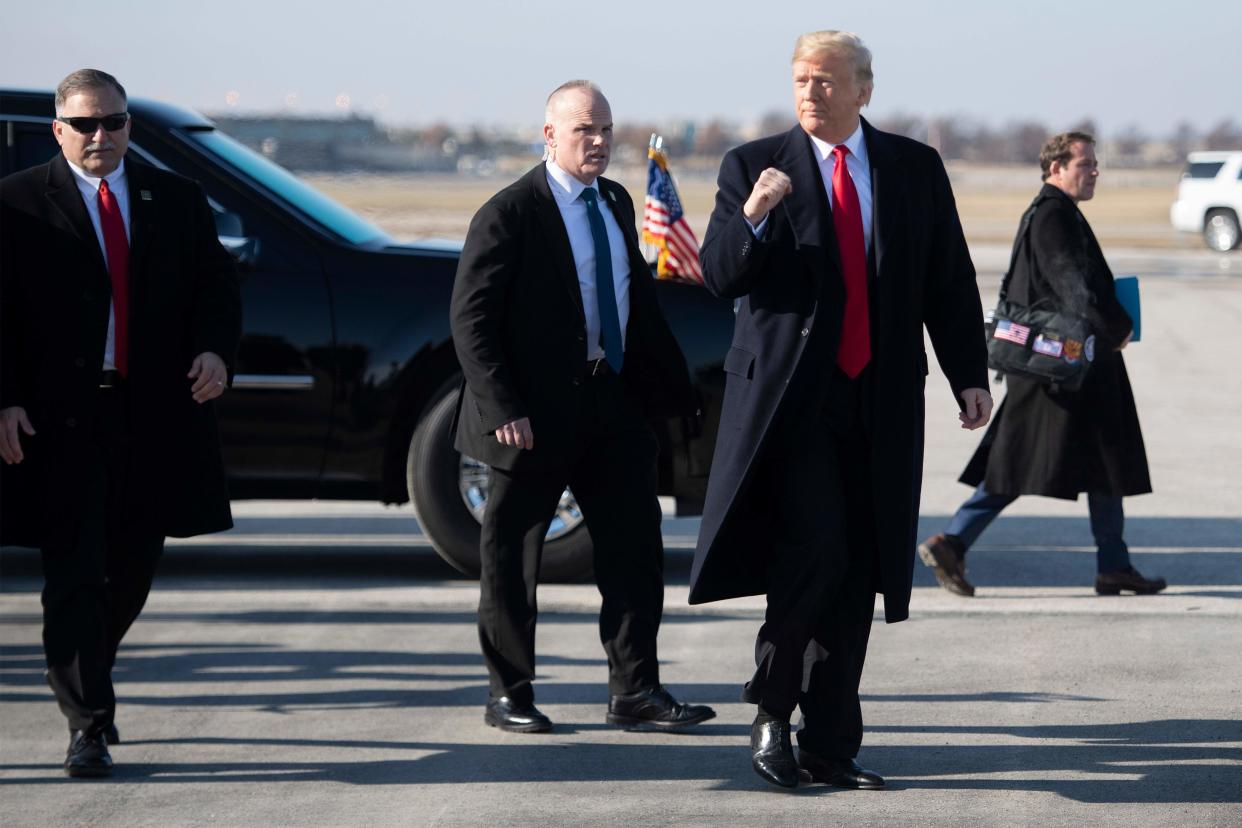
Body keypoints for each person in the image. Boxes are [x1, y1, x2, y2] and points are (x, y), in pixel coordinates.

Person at [688, 31, 992, 790]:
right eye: (800, 80)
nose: (810, 92)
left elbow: (946, 278)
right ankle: (771, 712)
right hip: (794, 407)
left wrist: (968, 375)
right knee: (813, 551)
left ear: (864, 89)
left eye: (826, 81)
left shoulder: (912, 169)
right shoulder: (753, 167)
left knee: (861, 566)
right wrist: (755, 212)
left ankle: (830, 742)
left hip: (881, 399)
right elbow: (720, 275)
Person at [449, 80, 714, 734]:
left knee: (634, 551)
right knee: (511, 556)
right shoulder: (509, 213)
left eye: (604, 129)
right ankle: (508, 692)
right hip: (530, 417)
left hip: (612, 403)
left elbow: (637, 305)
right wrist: (503, 405)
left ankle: (636, 691)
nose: (597, 141)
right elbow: (470, 319)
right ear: (550, 137)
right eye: (582, 131)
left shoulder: (616, 201)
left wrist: (673, 394)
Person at [0, 69, 241, 777]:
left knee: (133, 565)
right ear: (58, 130)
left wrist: (214, 351)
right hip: (62, 421)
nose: (101, 136)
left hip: (153, 416)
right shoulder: (15, 206)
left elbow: (217, 287)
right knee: (74, 570)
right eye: (85, 125)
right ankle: (88, 724)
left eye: (114, 122)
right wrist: (5, 397)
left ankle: (84, 670)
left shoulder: (175, 199)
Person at [919, 131, 1163, 598]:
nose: (1094, 172)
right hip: (1061, 371)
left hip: (1073, 368)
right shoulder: (1053, 215)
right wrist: (1116, 328)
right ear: (1056, 169)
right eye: (1084, 164)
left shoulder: (1055, 211)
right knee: (1017, 463)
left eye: (1094, 164)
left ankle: (1114, 565)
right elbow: (1075, 286)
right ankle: (951, 541)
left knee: (1103, 460)